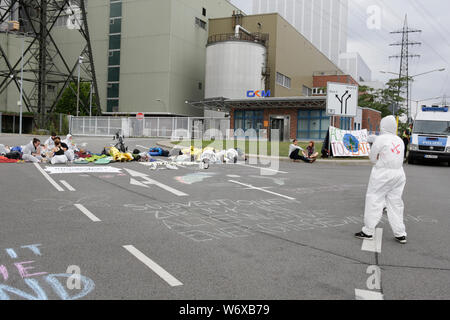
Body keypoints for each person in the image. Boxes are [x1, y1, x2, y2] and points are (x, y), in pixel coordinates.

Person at [355, 115, 407, 244]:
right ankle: (400, 233)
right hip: (399, 173)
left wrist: (378, 162)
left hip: (383, 173)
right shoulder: (399, 140)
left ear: (383, 126)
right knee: (395, 203)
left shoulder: (381, 139)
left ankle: (368, 231)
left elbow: (372, 157)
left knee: (374, 199)